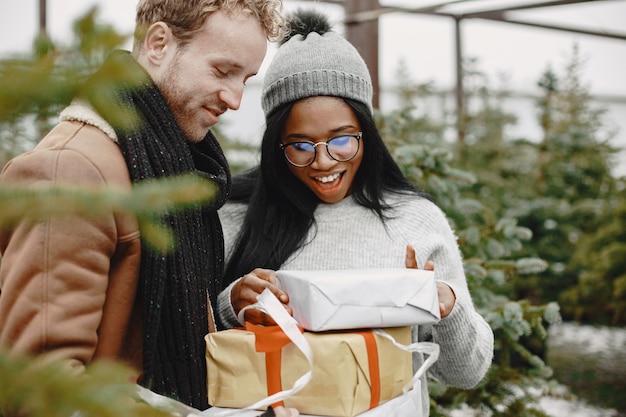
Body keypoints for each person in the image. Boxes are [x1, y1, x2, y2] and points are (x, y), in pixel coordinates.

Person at [0, 1, 299, 415]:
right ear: (158, 44)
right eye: (221, 71)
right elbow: (41, 388)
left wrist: (228, 309)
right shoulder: (68, 173)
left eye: (244, 79)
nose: (234, 100)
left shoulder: (167, 165)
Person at [216, 9, 494, 416]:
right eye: (301, 145)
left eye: (342, 140)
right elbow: (194, 350)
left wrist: (445, 304)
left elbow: (464, 373)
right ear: (276, 145)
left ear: (367, 132)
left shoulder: (415, 221)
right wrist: (232, 304)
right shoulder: (234, 216)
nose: (324, 162)